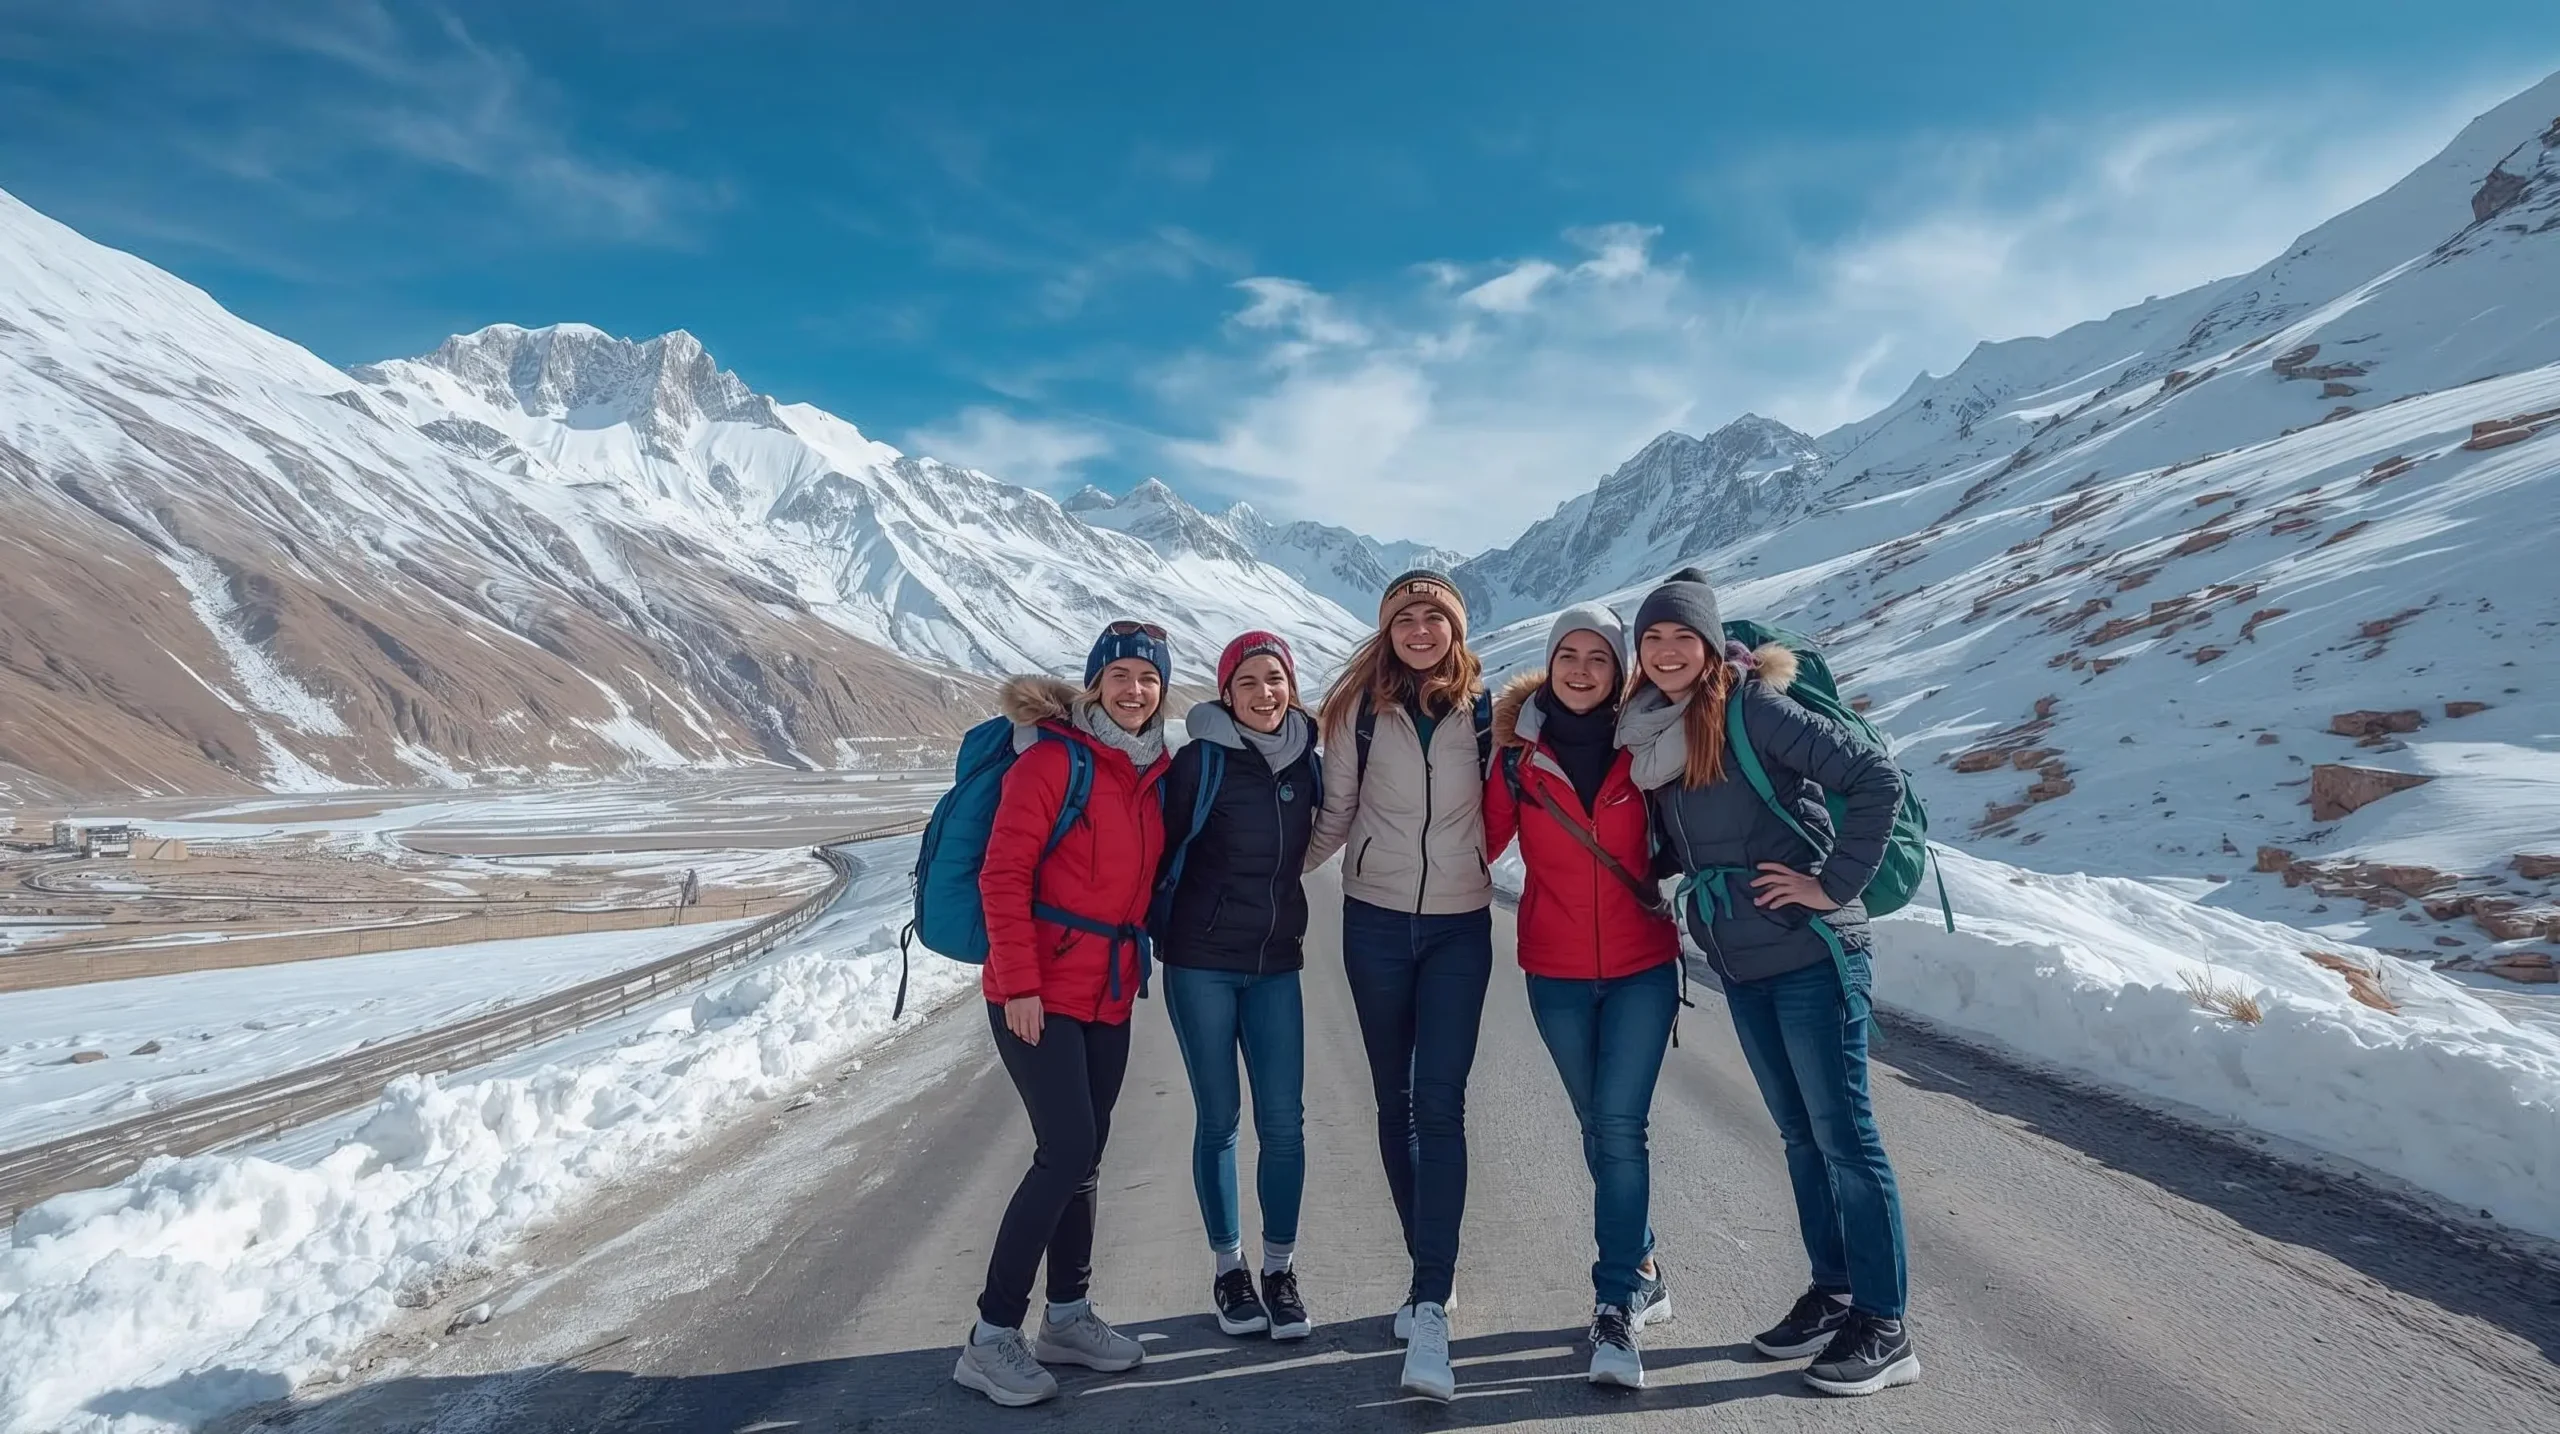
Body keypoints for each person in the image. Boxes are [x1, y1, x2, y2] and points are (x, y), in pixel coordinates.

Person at [1615, 569, 1918, 1398]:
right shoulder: (1660, 734)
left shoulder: (1751, 708)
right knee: (1801, 1137)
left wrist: (1833, 881)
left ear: (1711, 646)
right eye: (1654, 638)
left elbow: (1874, 779)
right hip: (1744, 963)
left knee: (1846, 1140)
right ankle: (1834, 1293)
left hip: (1815, 954)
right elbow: (1698, 839)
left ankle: (1886, 1326)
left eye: (1683, 636)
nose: (1668, 650)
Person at [953, 621, 1174, 1408]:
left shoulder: (1150, 771)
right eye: (1118, 675)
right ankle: (990, 1336)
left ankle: (1069, 1317)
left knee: (1087, 1156)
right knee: (1066, 1146)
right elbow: (1003, 872)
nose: (1134, 689)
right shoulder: (1052, 759)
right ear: (1093, 685)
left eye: (1148, 679)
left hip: (1107, 991)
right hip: (1036, 989)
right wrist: (1017, 982)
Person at [1305, 569, 1493, 1404]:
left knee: (1439, 1105)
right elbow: (1334, 816)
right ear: (1387, 630)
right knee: (1394, 1100)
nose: (1420, 628)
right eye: (1405, 617)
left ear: (1454, 628)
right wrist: (1264, 884)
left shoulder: (1491, 713)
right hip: (1375, 921)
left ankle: (1428, 1296)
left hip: (1460, 923)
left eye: (1434, 616)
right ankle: (1432, 1264)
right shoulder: (1355, 714)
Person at [1481, 604, 1680, 1389]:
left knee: (1621, 1127)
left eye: (1599, 657)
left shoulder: (1651, 748)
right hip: (1556, 973)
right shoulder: (1515, 758)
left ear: (1620, 669)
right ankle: (1646, 1258)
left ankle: (1614, 1305)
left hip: (1641, 968)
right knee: (1596, 1124)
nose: (1582, 669)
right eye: (1569, 654)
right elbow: (1473, 842)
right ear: (1550, 662)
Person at [1155, 631, 1320, 1342]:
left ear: (1291, 686)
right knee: (1219, 1118)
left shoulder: (1307, 763)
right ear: (1226, 692)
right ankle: (1230, 1269)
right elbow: (1154, 845)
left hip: (1276, 962)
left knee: (1284, 1123)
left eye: (1275, 679)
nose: (1264, 693)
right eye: (1248, 681)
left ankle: (1279, 1270)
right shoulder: (1198, 763)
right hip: (1200, 961)